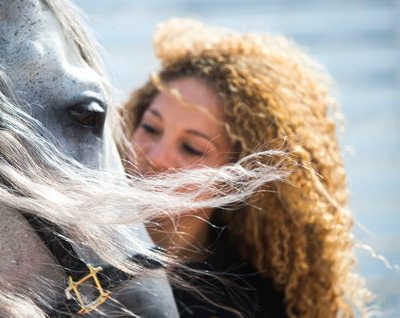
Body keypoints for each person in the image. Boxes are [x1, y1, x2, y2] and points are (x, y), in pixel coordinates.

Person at [121, 18, 372, 317]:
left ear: (236, 180)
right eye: (150, 127)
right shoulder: (62, 247)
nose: (158, 156)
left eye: (192, 148)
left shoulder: (254, 306)